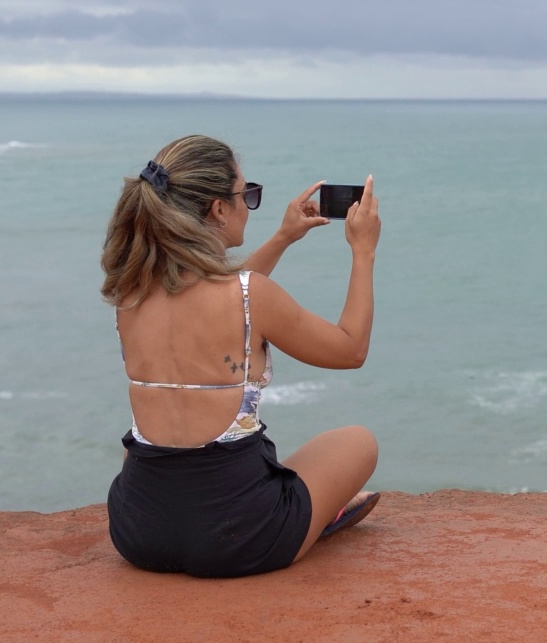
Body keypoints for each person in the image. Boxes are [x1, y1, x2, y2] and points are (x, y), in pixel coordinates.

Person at [101, 135, 381, 578]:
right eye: (245, 195)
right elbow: (350, 349)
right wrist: (363, 251)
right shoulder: (250, 297)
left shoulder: (129, 292)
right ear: (217, 209)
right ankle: (309, 514)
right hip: (241, 538)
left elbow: (225, 298)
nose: (249, 205)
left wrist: (284, 237)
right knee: (358, 442)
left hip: (139, 533)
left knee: (147, 444)